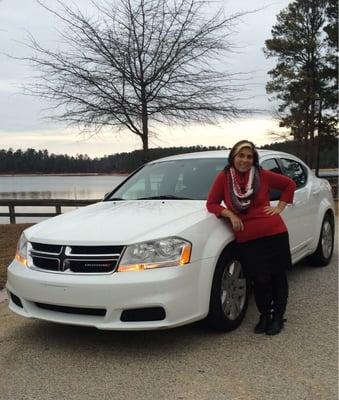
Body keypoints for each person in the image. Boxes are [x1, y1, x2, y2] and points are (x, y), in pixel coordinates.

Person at [206, 140, 296, 335]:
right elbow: (212, 203)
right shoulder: (224, 178)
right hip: (247, 238)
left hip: (274, 233)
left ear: (254, 160)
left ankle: (278, 317)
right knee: (259, 277)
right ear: (233, 157)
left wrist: (279, 207)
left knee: (277, 276)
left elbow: (289, 184)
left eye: (249, 157)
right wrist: (230, 214)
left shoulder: (262, 175)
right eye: (241, 155)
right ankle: (265, 315)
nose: (245, 160)